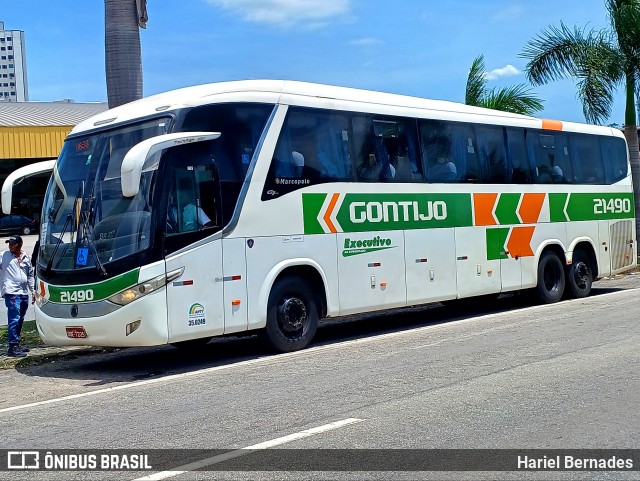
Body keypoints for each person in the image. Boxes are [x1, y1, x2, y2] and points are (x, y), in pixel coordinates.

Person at [1, 235, 35, 357]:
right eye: (9, 243)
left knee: (20, 319)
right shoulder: (4, 255)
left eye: (12, 243)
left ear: (19, 244)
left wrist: (33, 291)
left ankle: (17, 344)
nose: (10, 245)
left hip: (23, 292)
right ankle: (12, 347)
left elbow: (30, 275)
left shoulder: (26, 257)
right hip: (12, 292)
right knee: (14, 319)